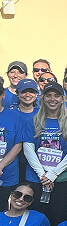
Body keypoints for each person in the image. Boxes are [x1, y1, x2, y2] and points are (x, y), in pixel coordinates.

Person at [22, 81, 67, 226]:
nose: (52, 99)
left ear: (62, 98)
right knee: (36, 218)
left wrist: (53, 174)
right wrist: (43, 175)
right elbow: (28, 149)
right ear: (42, 98)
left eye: (56, 95)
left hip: (62, 179)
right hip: (36, 178)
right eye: (48, 95)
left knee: (59, 218)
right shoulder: (33, 120)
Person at [0, 79, 23, 209]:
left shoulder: (14, 116)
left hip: (8, 174)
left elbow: (18, 144)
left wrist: (1, 165)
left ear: (3, 95)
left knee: (4, 211)